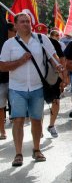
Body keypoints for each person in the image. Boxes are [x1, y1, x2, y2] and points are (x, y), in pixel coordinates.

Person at [0, 13, 64, 166]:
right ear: (15, 25)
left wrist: (59, 68)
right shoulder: (9, 44)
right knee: (18, 120)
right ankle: (18, 153)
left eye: (28, 21)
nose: (26, 24)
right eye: (22, 22)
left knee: (36, 119)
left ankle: (36, 150)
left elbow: (53, 58)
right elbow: (2, 66)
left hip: (37, 87)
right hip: (17, 88)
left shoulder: (42, 39)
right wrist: (21, 61)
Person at [33, 23, 69, 138]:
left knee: (56, 101)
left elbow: (62, 59)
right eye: (39, 33)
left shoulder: (53, 43)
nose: (41, 35)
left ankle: (51, 125)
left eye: (43, 33)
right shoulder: (31, 43)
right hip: (38, 78)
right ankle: (40, 128)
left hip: (53, 77)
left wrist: (63, 76)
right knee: (39, 104)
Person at [0, 22, 16, 140]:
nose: (16, 34)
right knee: (0, 107)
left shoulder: (19, 44)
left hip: (15, 80)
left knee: (16, 106)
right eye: (14, 31)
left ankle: (17, 130)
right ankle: (2, 131)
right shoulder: (3, 43)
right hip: (1, 80)